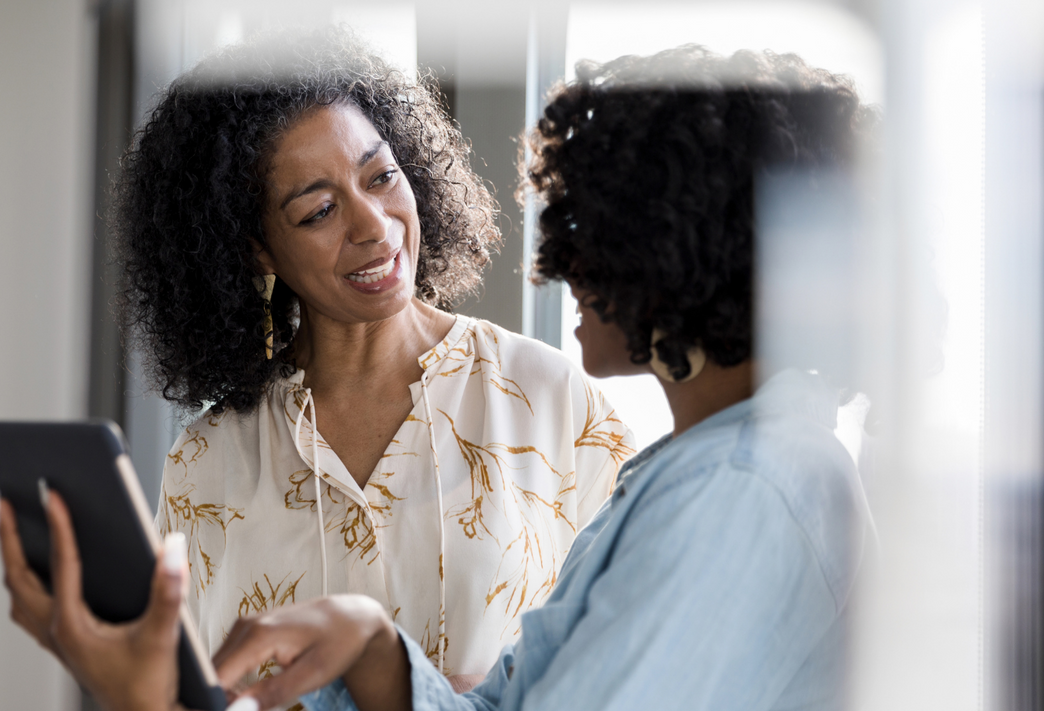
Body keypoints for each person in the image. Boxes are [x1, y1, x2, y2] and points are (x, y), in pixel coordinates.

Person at [196, 46, 878, 711]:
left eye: (592, 227)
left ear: (677, 249)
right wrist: (374, 646)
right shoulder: (703, 473)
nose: (560, 264)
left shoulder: (739, 487)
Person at [0, 25, 634, 704]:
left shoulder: (549, 398)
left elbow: (650, 651)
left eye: (381, 176)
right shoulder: (209, 462)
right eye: (319, 210)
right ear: (259, 249)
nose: (373, 226)